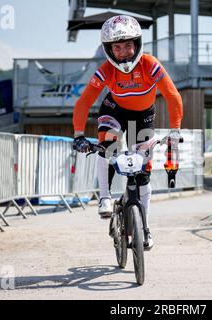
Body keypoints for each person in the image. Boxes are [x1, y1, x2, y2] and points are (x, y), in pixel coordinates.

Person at [72, 15, 184, 250]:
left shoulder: (150, 64)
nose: (123, 52)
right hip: (115, 110)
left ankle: (145, 228)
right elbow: (84, 102)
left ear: (138, 43)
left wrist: (175, 130)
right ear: (108, 50)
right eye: (117, 47)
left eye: (128, 45)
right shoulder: (105, 70)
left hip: (143, 117)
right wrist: (79, 135)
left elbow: (173, 96)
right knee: (109, 145)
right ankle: (104, 197)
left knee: (143, 174)